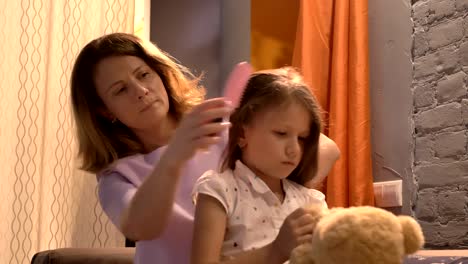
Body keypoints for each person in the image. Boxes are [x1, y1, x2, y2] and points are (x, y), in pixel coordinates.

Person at [70, 33, 340, 264]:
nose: (141, 90)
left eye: (144, 75)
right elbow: (140, 226)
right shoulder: (117, 176)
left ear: (160, 74)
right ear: (105, 111)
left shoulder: (221, 129)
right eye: (120, 90)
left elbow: (327, 149)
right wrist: (175, 156)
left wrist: (274, 193)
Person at [191, 67, 328, 264]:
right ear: (242, 134)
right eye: (281, 133)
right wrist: (274, 250)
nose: (294, 149)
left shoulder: (311, 201)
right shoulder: (220, 190)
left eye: (302, 138)